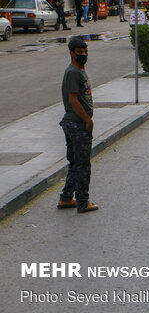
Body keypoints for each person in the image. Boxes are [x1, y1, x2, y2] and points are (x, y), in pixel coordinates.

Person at [58, 38, 98, 213]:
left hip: (73, 122)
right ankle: (83, 202)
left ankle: (66, 198)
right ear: (71, 53)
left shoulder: (79, 70)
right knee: (83, 165)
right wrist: (87, 120)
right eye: (80, 52)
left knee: (75, 163)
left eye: (85, 51)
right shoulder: (73, 72)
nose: (83, 55)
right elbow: (73, 101)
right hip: (77, 123)